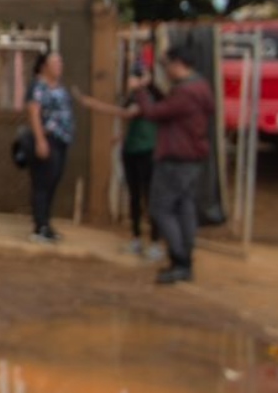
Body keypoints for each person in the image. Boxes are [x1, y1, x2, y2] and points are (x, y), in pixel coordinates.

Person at [130, 45, 215, 285]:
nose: (165, 70)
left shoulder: (186, 92)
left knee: (161, 209)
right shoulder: (201, 87)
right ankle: (185, 258)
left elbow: (153, 113)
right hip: (192, 159)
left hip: (175, 159)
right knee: (184, 208)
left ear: (178, 63)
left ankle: (180, 261)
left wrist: (139, 90)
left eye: (166, 65)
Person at [72, 61, 163, 261]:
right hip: (131, 151)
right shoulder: (133, 96)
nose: (131, 80)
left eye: (136, 76)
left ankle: (156, 242)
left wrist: (93, 104)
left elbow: (128, 113)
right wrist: (121, 136)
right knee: (134, 196)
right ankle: (137, 238)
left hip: (147, 152)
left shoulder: (148, 96)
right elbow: (132, 119)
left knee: (150, 198)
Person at [25, 50, 74, 243]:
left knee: (53, 182)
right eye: (55, 63)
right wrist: (40, 140)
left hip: (62, 140)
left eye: (60, 63)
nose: (59, 67)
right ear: (45, 66)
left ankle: (46, 224)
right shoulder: (39, 86)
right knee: (42, 183)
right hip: (48, 139)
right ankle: (39, 227)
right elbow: (34, 112)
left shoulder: (59, 86)